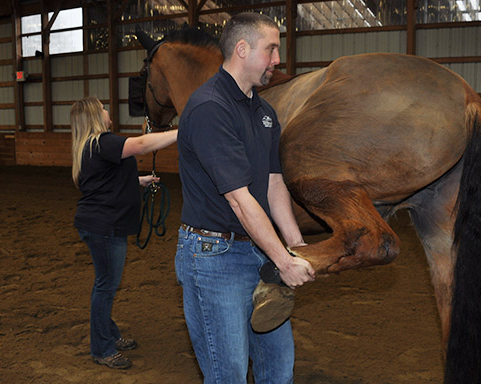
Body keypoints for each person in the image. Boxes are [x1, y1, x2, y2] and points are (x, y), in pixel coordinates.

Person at [175, 13, 316, 383]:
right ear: (242, 49)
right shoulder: (210, 108)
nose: (276, 60)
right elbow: (239, 199)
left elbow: (273, 185)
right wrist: (283, 261)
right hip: (213, 257)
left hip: (257, 250)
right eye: (270, 49)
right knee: (228, 375)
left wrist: (296, 244)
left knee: (278, 367)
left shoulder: (264, 112)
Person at [70, 96, 177, 369]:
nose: (108, 112)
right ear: (96, 116)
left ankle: (110, 335)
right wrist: (180, 132)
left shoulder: (92, 147)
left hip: (100, 224)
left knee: (105, 284)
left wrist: (138, 181)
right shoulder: (103, 142)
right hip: (105, 226)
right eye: (104, 108)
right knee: (105, 287)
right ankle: (102, 349)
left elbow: (106, 180)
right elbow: (140, 145)